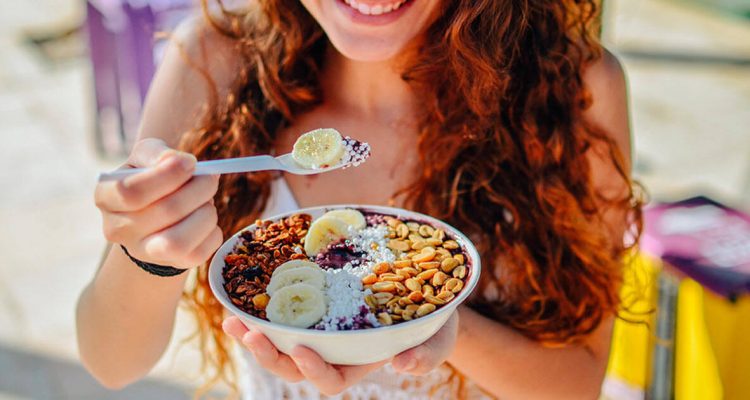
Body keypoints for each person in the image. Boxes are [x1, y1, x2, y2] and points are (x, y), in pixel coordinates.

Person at [77, 0, 642, 398]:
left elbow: (576, 385)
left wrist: (435, 324)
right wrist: (147, 252)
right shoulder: (216, 60)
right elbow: (112, 362)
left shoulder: (574, 88)